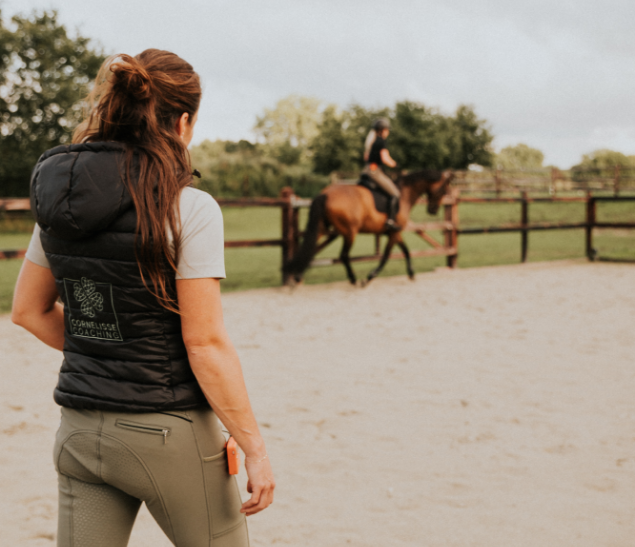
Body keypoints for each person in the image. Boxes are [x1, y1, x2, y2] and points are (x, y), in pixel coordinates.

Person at [11, 49, 274, 547]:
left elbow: (27, 311)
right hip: (166, 433)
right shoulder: (189, 208)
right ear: (182, 122)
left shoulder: (56, 199)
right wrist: (254, 448)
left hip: (79, 432)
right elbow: (205, 345)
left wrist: (106, 350)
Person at [362, 117, 401, 231]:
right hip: (375, 172)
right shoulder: (381, 141)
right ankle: (390, 220)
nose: (388, 132)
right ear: (383, 130)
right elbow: (385, 158)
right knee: (395, 193)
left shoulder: (373, 141)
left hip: (369, 169)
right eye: (387, 129)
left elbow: (366, 157)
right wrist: (396, 165)